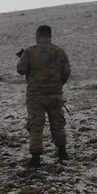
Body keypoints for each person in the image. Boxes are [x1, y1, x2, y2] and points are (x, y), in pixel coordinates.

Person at [16, 25, 71, 168]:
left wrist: (22, 58)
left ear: (37, 35)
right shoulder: (60, 52)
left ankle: (35, 158)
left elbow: (21, 70)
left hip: (36, 96)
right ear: (50, 35)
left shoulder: (30, 51)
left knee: (36, 125)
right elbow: (66, 73)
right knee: (58, 123)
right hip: (55, 95)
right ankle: (62, 152)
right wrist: (57, 86)